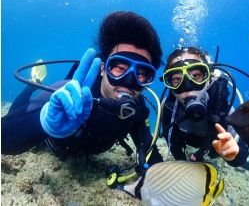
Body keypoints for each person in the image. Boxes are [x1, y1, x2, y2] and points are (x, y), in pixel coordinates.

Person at [2, 11, 163, 172]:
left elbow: (151, 154)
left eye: (142, 74)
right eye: (119, 68)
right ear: (102, 68)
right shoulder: (68, 94)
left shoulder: (135, 110)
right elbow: (5, 139)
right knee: (15, 109)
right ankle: (34, 83)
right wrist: (43, 122)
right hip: (51, 145)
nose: (129, 81)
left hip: (81, 151)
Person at [160, 47, 249, 167]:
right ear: (169, 83)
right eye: (177, 79)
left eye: (196, 76)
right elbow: (172, 143)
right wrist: (184, 164)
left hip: (212, 150)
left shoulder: (223, 109)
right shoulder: (168, 107)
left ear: (209, 78)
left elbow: (242, 154)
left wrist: (233, 155)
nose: (188, 87)